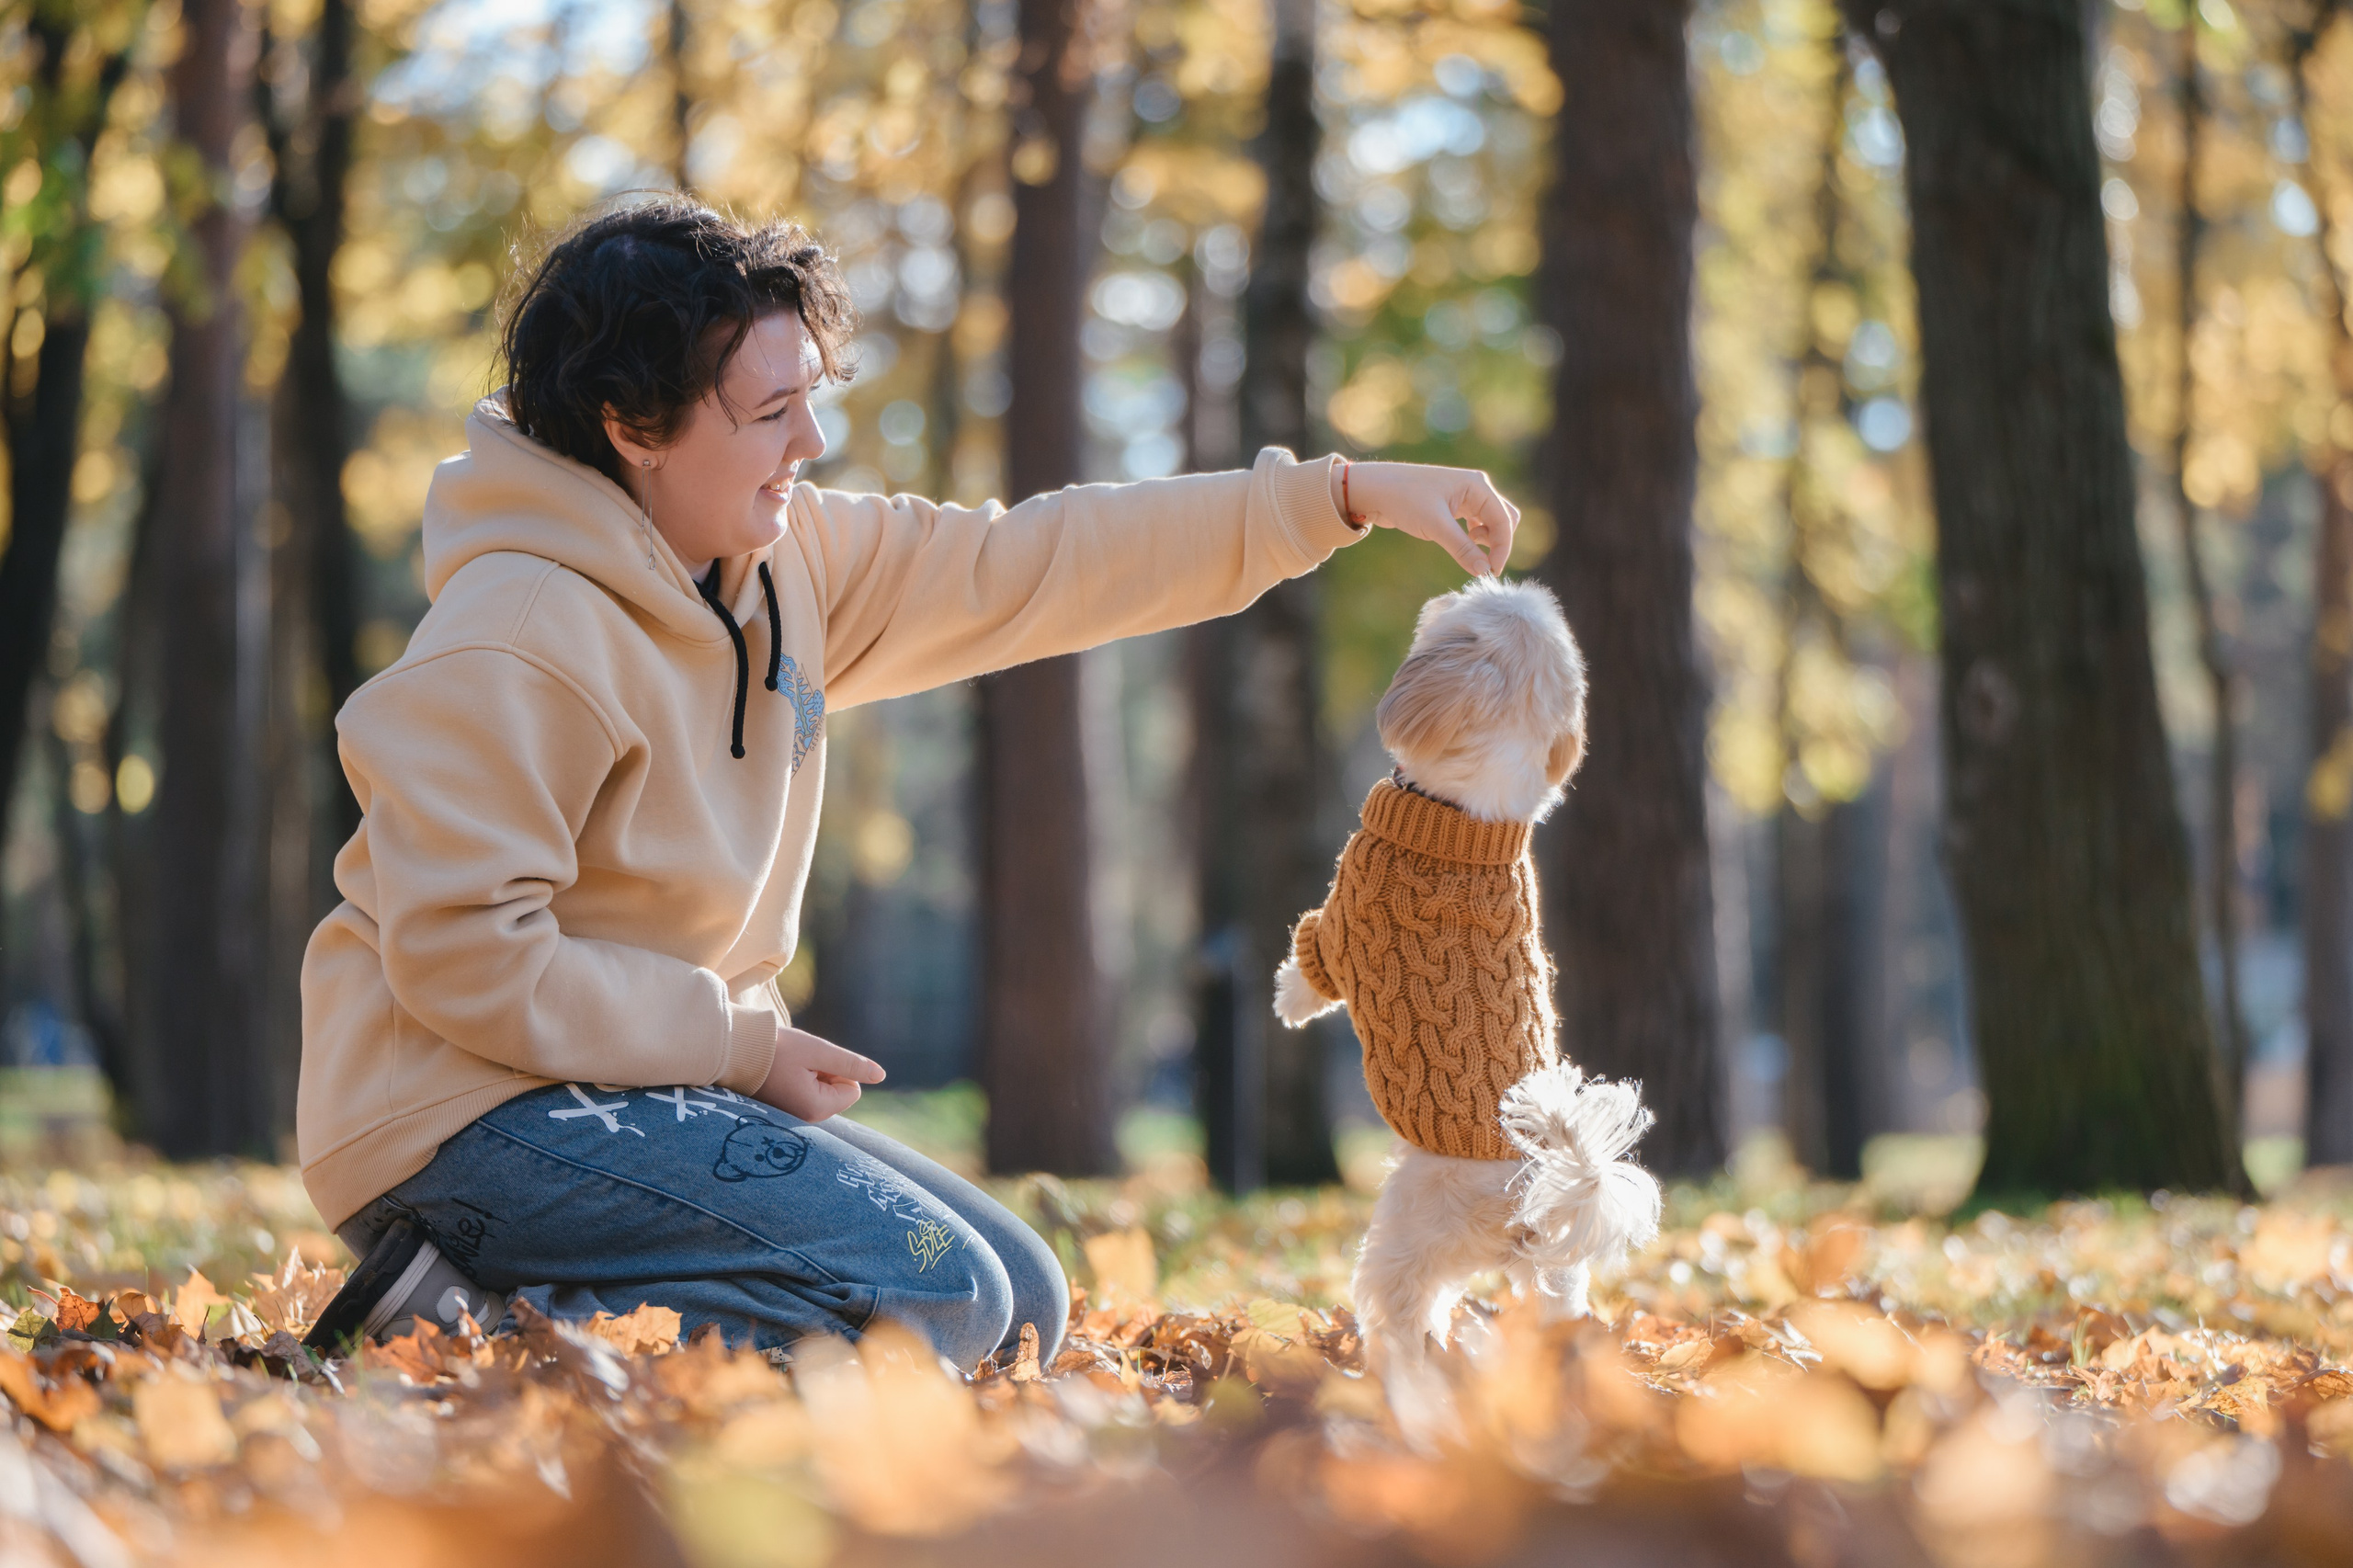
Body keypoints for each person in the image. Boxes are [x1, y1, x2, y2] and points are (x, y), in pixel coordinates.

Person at [299, 195, 1520, 1369]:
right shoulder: (518, 631)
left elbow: (1035, 561)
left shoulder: (784, 565)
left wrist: (1342, 494)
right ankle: (466, 1330)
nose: (810, 444)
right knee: (936, 1292)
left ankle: (512, 1316)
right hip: (457, 1118)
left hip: (631, 1084)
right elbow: (466, 957)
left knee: (1021, 1298)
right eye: (771, 411)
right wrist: (735, 1046)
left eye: (808, 402)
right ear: (632, 424)